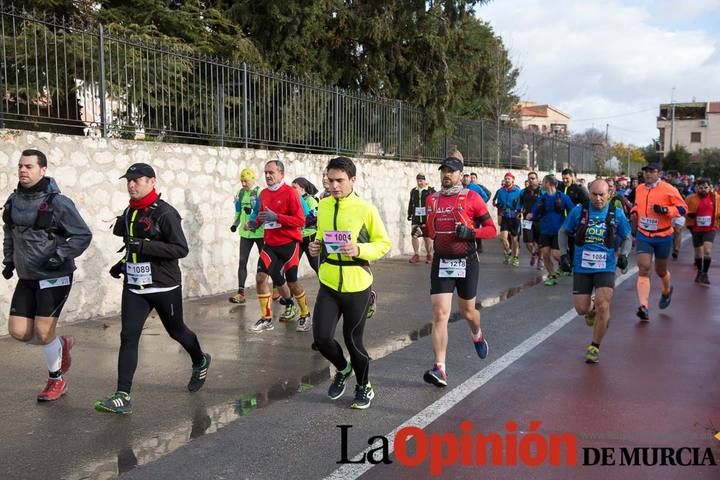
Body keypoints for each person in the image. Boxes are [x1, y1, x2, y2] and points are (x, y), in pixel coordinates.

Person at [95, 163, 210, 414]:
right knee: (128, 336)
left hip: (163, 285)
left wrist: (145, 247)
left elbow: (180, 249)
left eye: (137, 180)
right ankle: (122, 396)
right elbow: (131, 245)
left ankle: (200, 359)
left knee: (177, 331)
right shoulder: (129, 212)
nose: (131, 184)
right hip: (135, 286)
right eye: (129, 180)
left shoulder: (166, 213)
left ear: (152, 182)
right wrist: (122, 264)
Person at [2, 149, 92, 401]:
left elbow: (83, 235)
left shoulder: (58, 202)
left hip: (55, 275)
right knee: (18, 332)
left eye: (29, 166)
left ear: (43, 170)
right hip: (27, 275)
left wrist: (61, 254)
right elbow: (10, 232)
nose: (22, 170)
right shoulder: (13, 201)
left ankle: (56, 380)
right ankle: (60, 345)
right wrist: (8, 260)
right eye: (20, 166)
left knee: (43, 333)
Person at [308, 157, 391, 409]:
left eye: (340, 180)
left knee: (353, 341)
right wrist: (315, 246)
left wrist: (359, 248)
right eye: (331, 180)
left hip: (357, 284)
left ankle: (364, 385)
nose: (334, 185)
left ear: (352, 180)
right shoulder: (322, 206)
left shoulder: (365, 209)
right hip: (330, 283)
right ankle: (343, 369)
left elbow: (383, 244)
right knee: (322, 339)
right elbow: (321, 238)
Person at [422, 157, 497, 388]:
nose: (447, 174)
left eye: (451, 171)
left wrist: (470, 232)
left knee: (468, 312)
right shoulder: (431, 199)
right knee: (440, 314)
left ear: (460, 174)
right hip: (442, 261)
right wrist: (420, 229)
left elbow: (491, 230)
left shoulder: (472, 197)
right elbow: (432, 228)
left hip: (466, 261)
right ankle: (440, 368)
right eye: (443, 170)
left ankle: (477, 333)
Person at [559, 180, 631, 364]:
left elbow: (627, 237)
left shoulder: (617, 213)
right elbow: (563, 232)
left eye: (602, 194)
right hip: (582, 265)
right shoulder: (579, 211)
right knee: (581, 309)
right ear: (589, 193)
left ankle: (594, 346)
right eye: (594, 194)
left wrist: (624, 255)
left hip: (606, 266)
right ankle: (590, 310)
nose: (598, 198)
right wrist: (564, 254)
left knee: (603, 305)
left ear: (609, 194)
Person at [246, 160, 310, 331]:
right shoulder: (264, 194)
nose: (268, 175)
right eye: (266, 172)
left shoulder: (290, 193)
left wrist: (277, 217)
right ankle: (266, 318)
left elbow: (300, 220)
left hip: (289, 243)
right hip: (270, 244)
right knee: (260, 278)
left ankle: (305, 314)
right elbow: (262, 216)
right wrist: (254, 223)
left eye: (271, 172)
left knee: (292, 282)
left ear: (281, 174)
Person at [629, 162, 688, 322]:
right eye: (645, 172)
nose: (647, 174)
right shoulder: (640, 188)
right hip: (644, 235)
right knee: (644, 268)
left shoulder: (669, 189)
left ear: (659, 173)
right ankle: (644, 306)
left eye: (651, 171)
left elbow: (683, 209)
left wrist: (665, 210)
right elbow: (637, 205)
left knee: (660, 271)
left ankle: (667, 290)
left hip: (663, 236)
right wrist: (634, 212)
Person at [528, 175, 576, 286]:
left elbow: (573, 211)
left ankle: (569, 263)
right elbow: (535, 211)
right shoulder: (542, 198)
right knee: (545, 254)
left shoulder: (562, 197)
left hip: (559, 231)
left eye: (543, 182)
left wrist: (570, 225)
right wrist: (531, 215)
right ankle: (552, 276)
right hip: (545, 230)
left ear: (548, 183)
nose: (541, 183)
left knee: (555, 254)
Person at [229, 168, 263, 305]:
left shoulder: (260, 192)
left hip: (260, 232)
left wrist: (254, 217)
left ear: (252, 179)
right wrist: (234, 224)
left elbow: (263, 210)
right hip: (245, 233)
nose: (243, 184)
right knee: (242, 261)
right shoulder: (240, 193)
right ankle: (241, 293)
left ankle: (276, 287)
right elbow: (237, 211)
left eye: (246, 181)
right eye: (242, 181)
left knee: (266, 261)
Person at [685, 178, 720, 284]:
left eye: (706, 187)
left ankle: (705, 273)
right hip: (696, 228)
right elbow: (683, 209)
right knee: (698, 254)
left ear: (710, 188)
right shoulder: (690, 198)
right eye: (701, 188)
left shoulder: (716, 198)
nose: (703, 190)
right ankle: (700, 272)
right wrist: (689, 214)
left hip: (710, 228)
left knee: (707, 250)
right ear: (696, 188)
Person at [292, 177, 320, 277]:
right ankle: (289, 293)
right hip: (297, 237)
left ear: (302, 189)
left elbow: (315, 218)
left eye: (295, 187)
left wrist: (298, 223)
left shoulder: (310, 200)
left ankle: (328, 289)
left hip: (309, 237)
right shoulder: (294, 200)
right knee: (292, 266)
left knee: (315, 265)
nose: (292, 190)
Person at [494, 172, 523, 266]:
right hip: (505, 216)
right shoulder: (501, 191)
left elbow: (522, 203)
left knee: (515, 239)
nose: (507, 180)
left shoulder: (518, 191)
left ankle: (516, 258)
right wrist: (498, 204)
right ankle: (509, 253)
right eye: (505, 178)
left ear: (513, 180)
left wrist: (520, 212)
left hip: (515, 217)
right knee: (503, 237)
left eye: (508, 179)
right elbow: (496, 201)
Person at [407, 174, 434, 264]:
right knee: (414, 235)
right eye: (418, 181)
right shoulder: (413, 191)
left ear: (424, 180)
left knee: (427, 237)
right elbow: (411, 202)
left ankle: (429, 254)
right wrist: (409, 213)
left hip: (426, 216)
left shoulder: (430, 190)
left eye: (421, 181)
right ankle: (416, 254)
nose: (419, 182)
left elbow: (434, 203)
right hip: (416, 216)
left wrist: (433, 215)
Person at [519, 171, 542, 268]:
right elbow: (519, 204)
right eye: (529, 178)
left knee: (540, 242)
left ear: (537, 180)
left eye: (533, 178)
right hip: (527, 220)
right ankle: (534, 253)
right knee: (528, 242)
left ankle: (540, 259)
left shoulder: (542, 192)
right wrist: (519, 211)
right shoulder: (523, 192)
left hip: (540, 220)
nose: (531, 180)